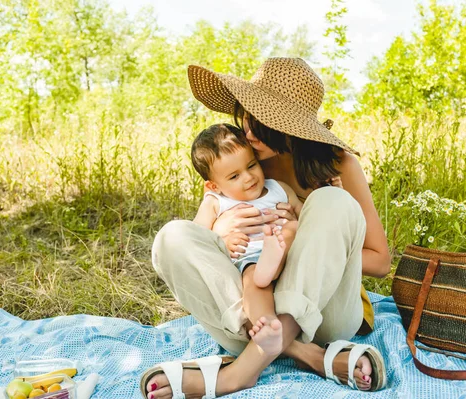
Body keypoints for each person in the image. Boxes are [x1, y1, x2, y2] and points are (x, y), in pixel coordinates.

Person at [142, 58, 391, 399]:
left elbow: (380, 262)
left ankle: (239, 373)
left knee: (333, 202)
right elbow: (209, 238)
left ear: (288, 126)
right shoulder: (249, 161)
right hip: (253, 319)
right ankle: (310, 356)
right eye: (245, 115)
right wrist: (219, 233)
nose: (246, 131)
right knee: (171, 236)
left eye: (260, 121)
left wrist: (307, 236)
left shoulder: (338, 164)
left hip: (324, 315)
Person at [190, 122, 304, 355]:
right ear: (214, 185)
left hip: (289, 258)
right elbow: (196, 239)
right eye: (234, 176)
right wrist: (221, 240)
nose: (248, 177)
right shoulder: (216, 202)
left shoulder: (278, 188)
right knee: (254, 280)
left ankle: (273, 260)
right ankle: (270, 326)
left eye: (251, 165)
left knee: (292, 228)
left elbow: (308, 215)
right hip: (250, 259)